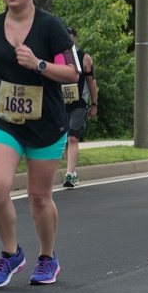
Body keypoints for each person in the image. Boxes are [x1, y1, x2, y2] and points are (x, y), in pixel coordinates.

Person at [0, 0, 80, 287]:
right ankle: (11, 254)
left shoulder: (50, 27)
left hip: (45, 123)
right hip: (4, 120)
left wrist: (39, 64)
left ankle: (47, 258)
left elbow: (72, 73)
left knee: (38, 196)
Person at [62, 26, 99, 188]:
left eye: (70, 36)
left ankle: (69, 174)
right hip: (60, 103)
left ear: (75, 38)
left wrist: (94, 104)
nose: (67, 38)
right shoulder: (57, 57)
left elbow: (92, 82)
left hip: (79, 103)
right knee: (63, 140)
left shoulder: (84, 58)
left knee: (72, 137)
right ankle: (72, 171)